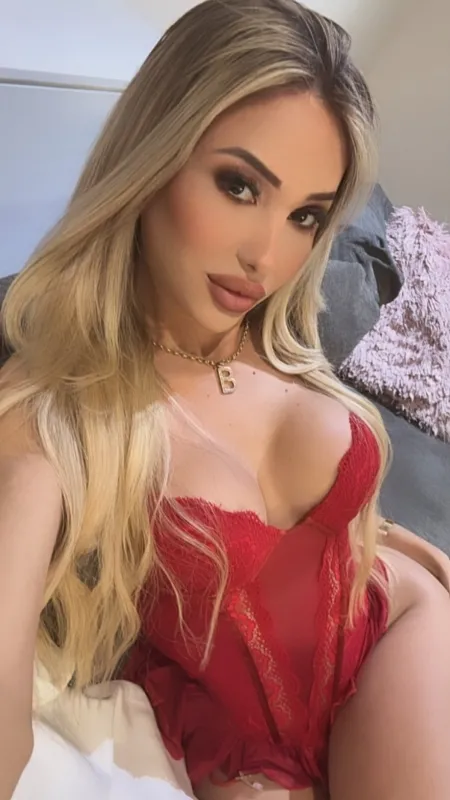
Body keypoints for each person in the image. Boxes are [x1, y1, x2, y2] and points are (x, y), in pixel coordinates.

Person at [1, 1, 450, 798]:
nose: (266, 257)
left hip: (400, 620)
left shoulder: (288, 335)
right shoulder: (57, 409)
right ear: (154, 155)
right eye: (239, 186)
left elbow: (325, 533)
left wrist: (405, 550)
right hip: (245, 740)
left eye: (306, 216)